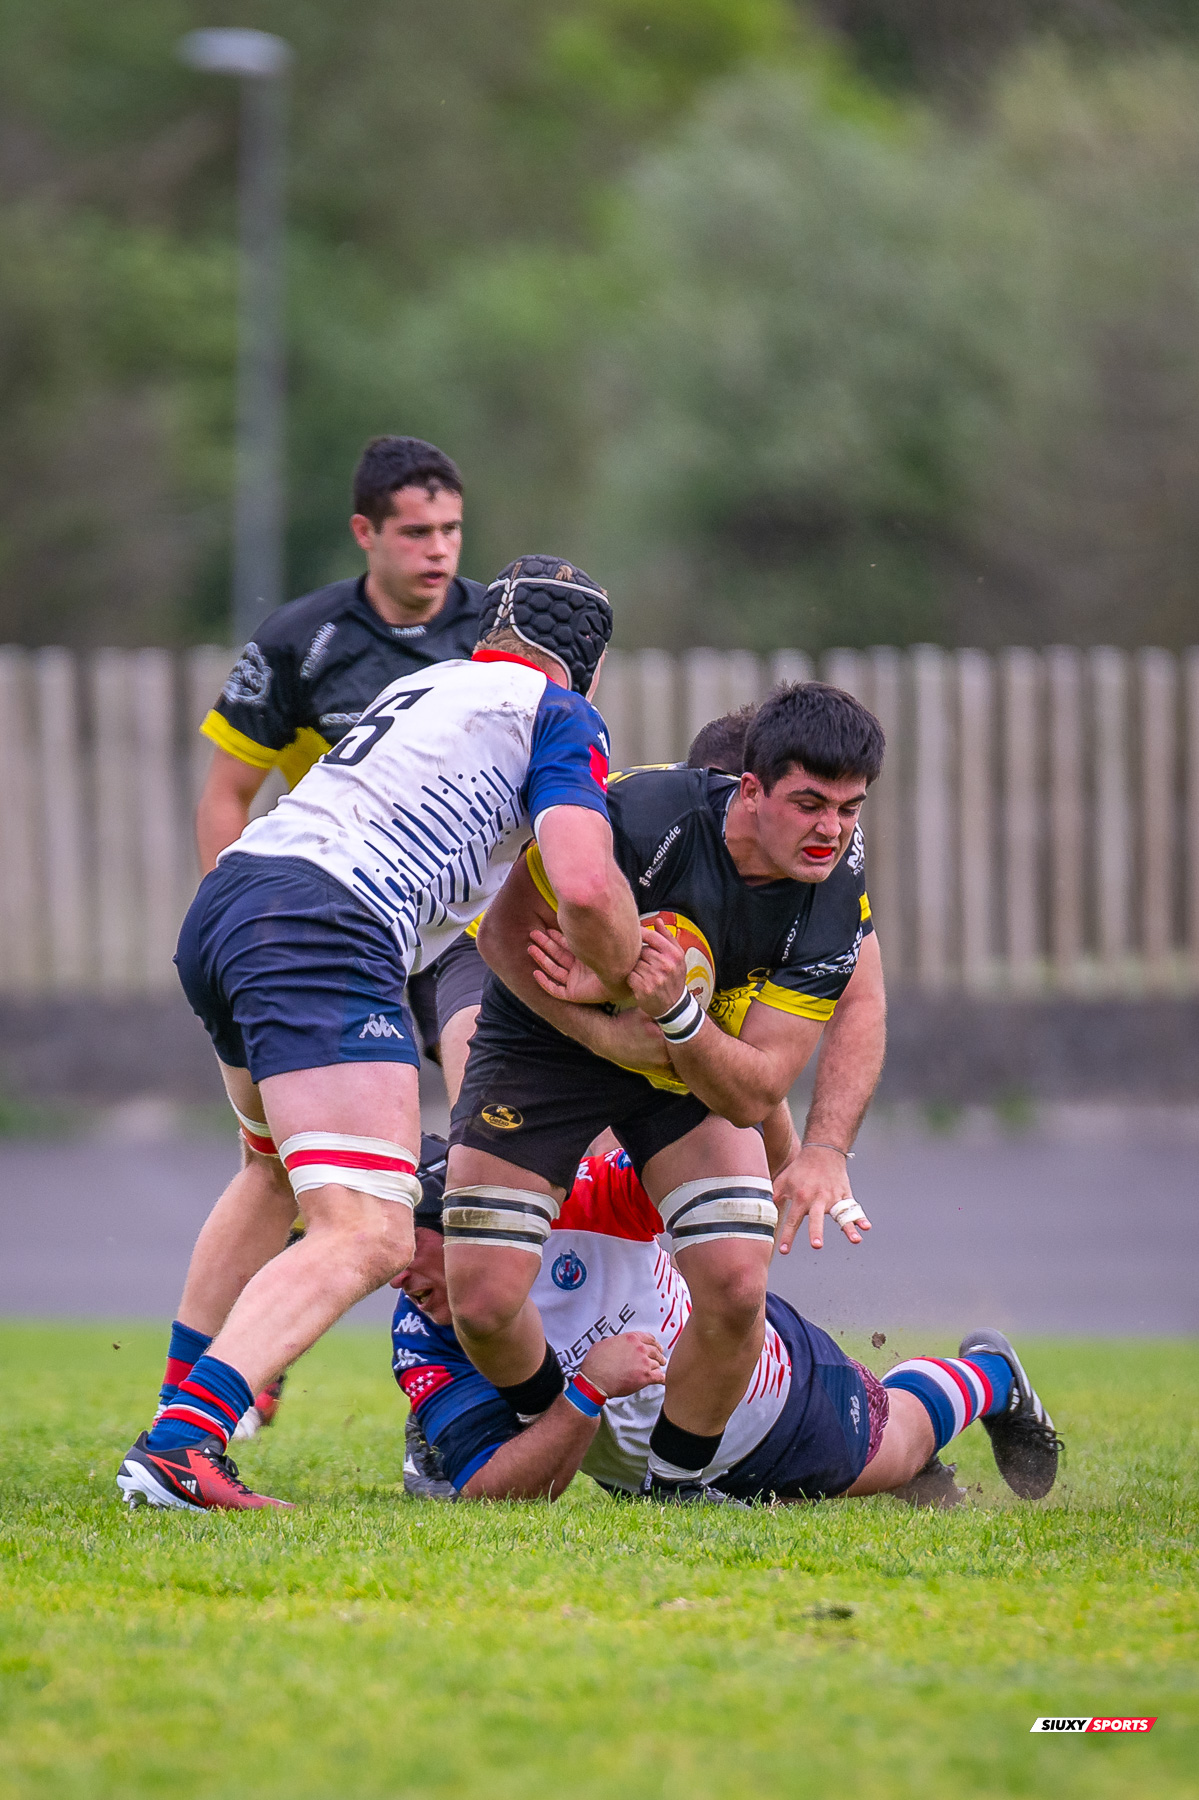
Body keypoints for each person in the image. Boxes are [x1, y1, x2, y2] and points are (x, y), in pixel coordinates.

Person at [116, 556, 642, 1511]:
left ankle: (175, 1416)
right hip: (327, 927)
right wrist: (630, 974)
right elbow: (582, 880)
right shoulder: (559, 714)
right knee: (367, 1231)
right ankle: (181, 1446)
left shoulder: (427, 683)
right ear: (589, 670)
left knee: (269, 1171)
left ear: (485, 634)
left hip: (236, 897)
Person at [441, 681, 888, 1502]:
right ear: (749, 790)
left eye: (849, 809)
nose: (830, 829)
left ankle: (676, 1491)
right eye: (809, 803)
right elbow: (501, 935)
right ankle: (560, 1438)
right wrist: (610, 1033)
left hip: (683, 1055)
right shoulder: (640, 817)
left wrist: (674, 1018)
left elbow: (756, 1090)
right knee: (480, 1298)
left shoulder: (833, 893)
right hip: (543, 1042)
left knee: (735, 1280)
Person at [393, 1143, 1062, 1507]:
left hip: (770, 1402)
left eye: (407, 1243)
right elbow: (491, 1493)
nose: (395, 1273)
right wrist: (585, 1393)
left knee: (899, 1444)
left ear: (463, 1226)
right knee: (891, 1467)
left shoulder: (581, 1197)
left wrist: (801, 1153)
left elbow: (707, 1160)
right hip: (655, 1481)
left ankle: (992, 1374)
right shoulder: (422, 1330)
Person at [196, 433, 490, 1101]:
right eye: (416, 532)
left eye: (450, 530)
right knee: (342, 1131)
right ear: (366, 531)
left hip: (466, 917)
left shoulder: (495, 633)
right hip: (345, 912)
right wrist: (231, 928)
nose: (438, 548)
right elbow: (225, 795)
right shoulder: (298, 640)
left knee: (491, 1099)